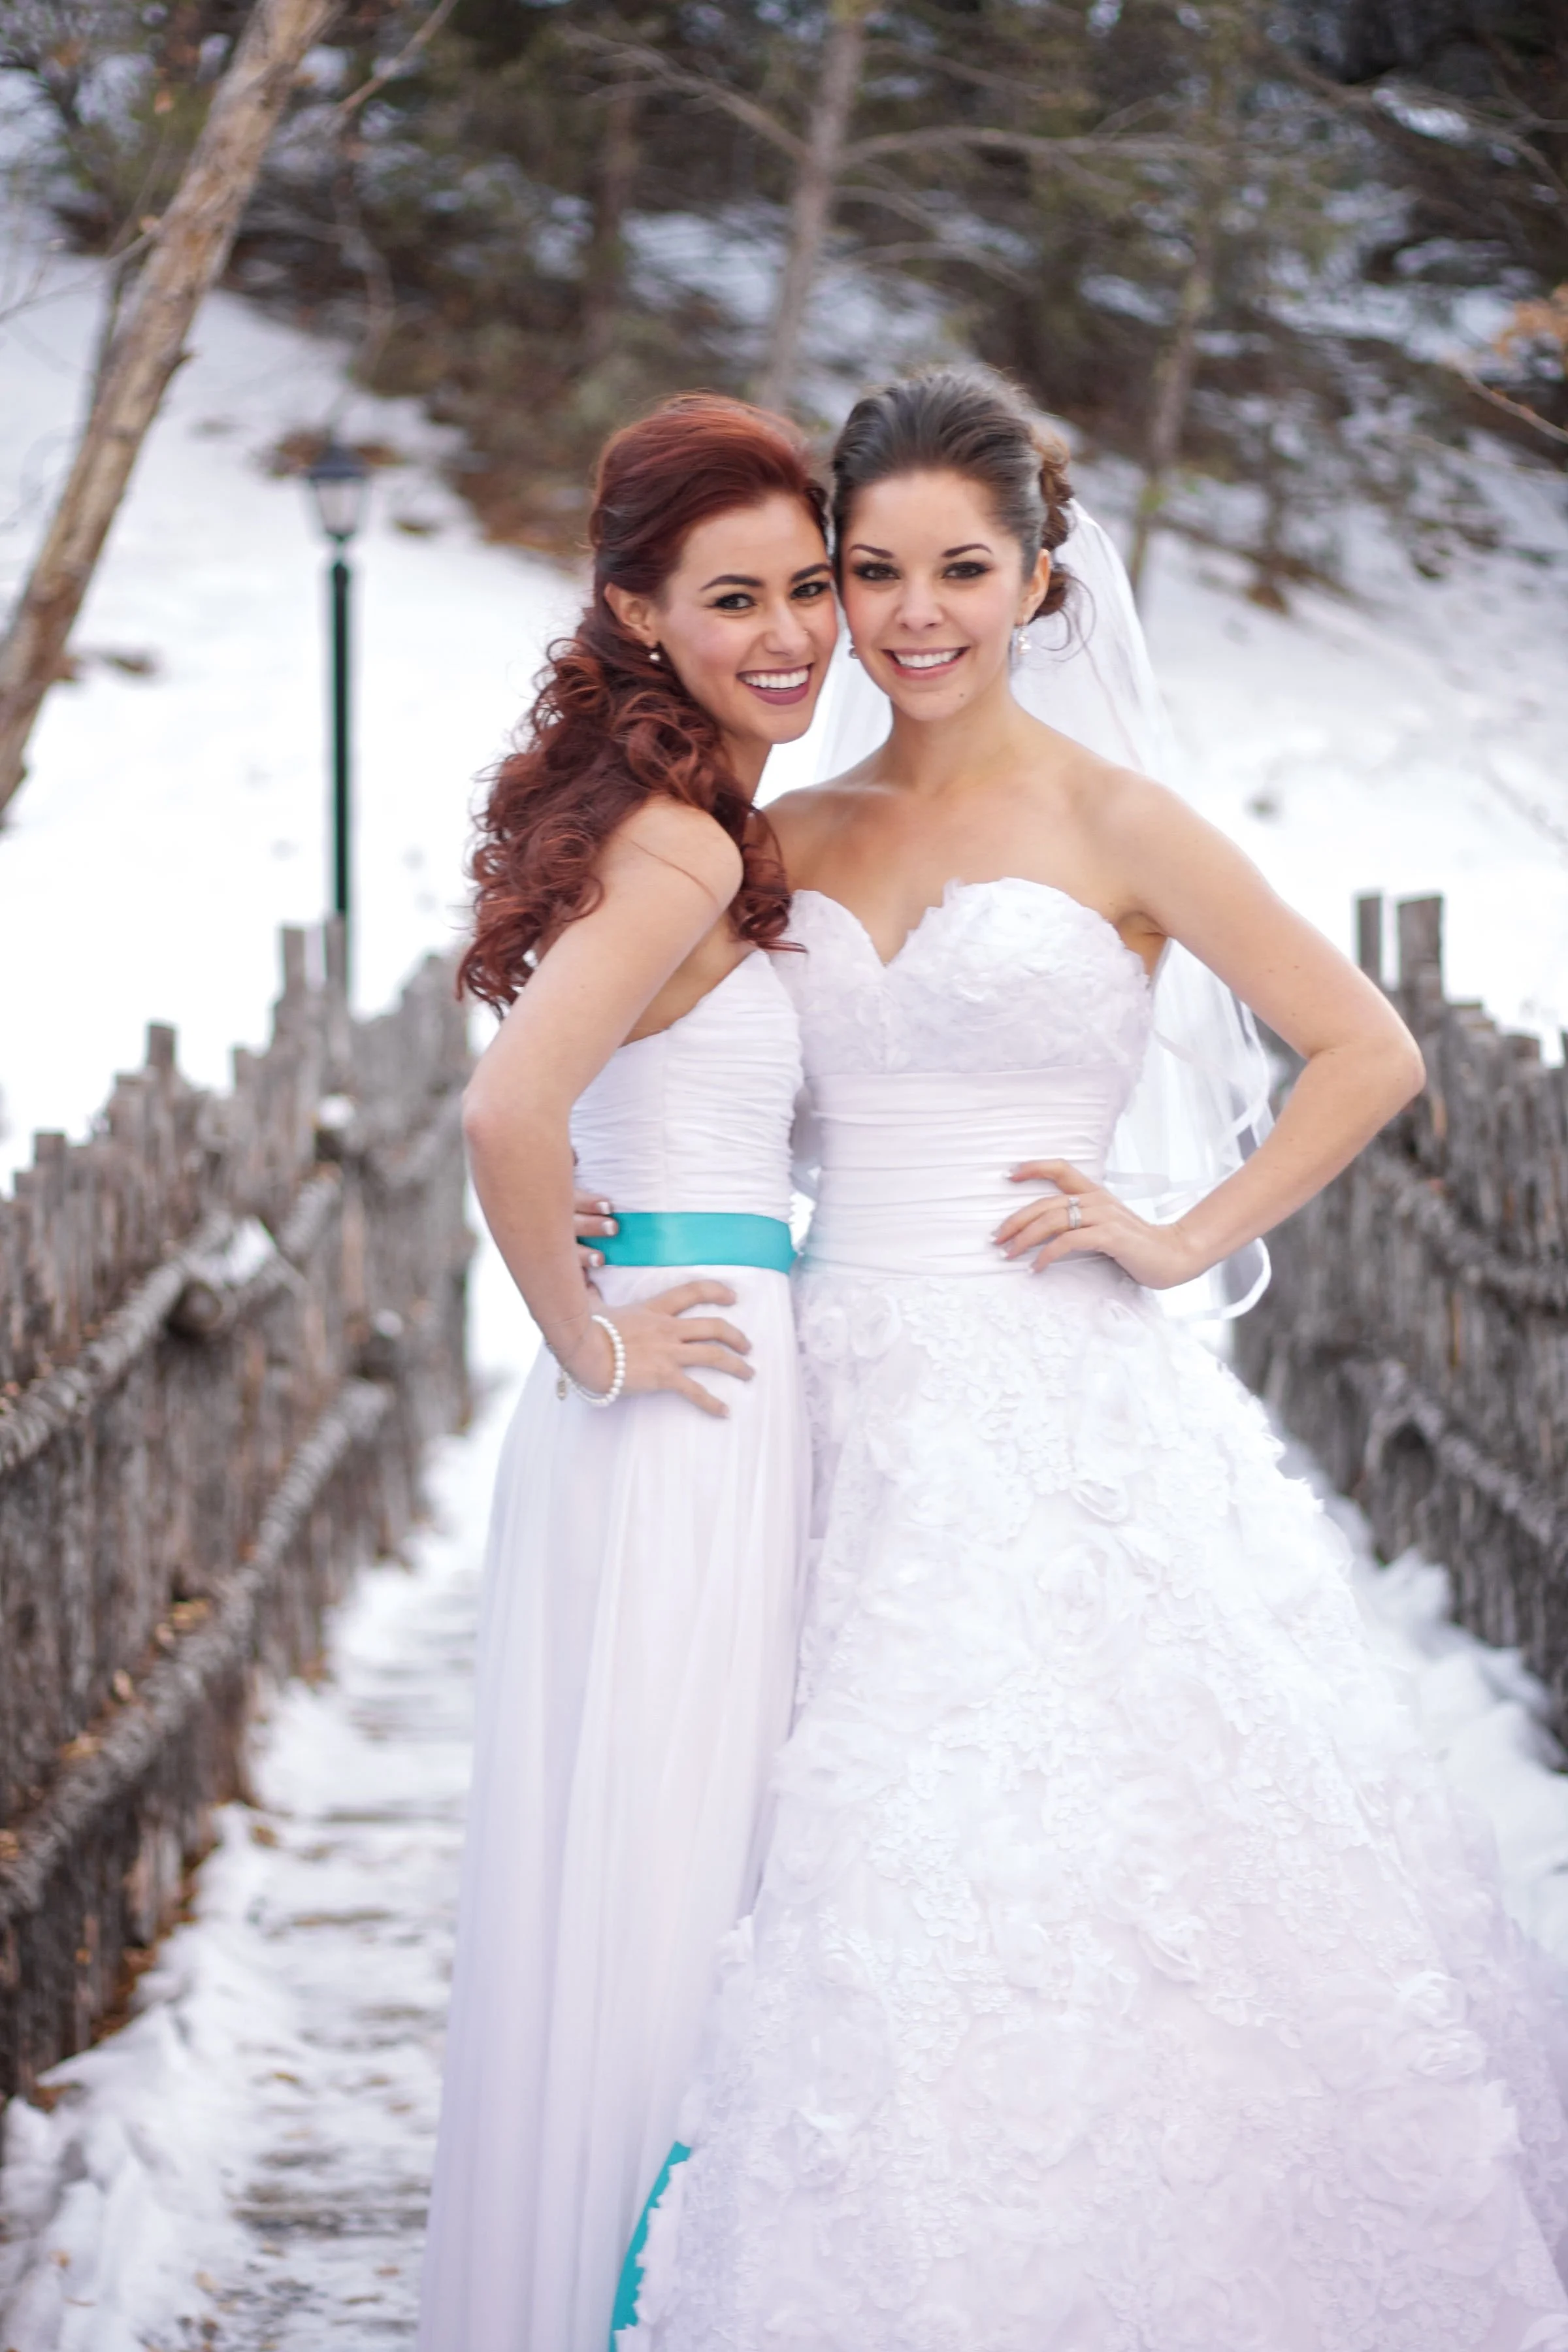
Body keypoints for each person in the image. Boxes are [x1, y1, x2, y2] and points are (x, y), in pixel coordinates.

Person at [621, 368, 1568, 2351]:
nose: (914, 614)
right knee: (845, 1854)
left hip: (1058, 1406)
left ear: (1042, 578)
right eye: (873, 571)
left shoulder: (1117, 819)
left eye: (964, 568)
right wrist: (605, 1222)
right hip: (825, 1393)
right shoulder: (780, 831)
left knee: (1080, 1836)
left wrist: (1181, 1232)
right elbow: (686, 1066)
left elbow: (1366, 1049)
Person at [416, 393, 838, 2352]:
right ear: (638, 613)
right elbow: (509, 1113)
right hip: (677, 1405)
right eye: (734, 597)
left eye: (811, 587)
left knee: (667, 1855)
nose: (793, 632)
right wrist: (591, 1343)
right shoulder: (675, 842)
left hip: (689, 1391)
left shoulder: (693, 826)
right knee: (671, 1872)